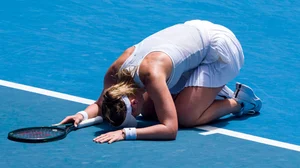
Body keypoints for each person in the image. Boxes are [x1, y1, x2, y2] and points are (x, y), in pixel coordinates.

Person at [59, 19, 262, 144]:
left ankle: (239, 103)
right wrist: (81, 114)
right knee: (150, 111)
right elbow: (100, 104)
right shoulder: (115, 74)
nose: (136, 118)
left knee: (185, 117)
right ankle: (205, 93)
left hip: (219, 50)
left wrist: (127, 133)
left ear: (133, 102)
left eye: (133, 116)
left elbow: (170, 129)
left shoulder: (152, 75)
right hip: (194, 40)